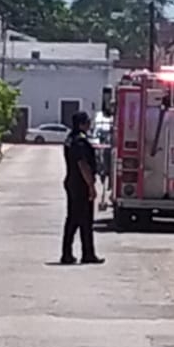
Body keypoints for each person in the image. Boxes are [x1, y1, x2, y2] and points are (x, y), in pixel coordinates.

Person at [61, 111, 102, 265]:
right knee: (80, 220)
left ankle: (84, 253)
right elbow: (82, 164)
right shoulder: (80, 141)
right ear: (82, 124)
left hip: (72, 182)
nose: (89, 124)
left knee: (78, 220)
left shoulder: (70, 139)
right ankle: (75, 254)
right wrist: (91, 185)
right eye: (87, 122)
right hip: (80, 184)